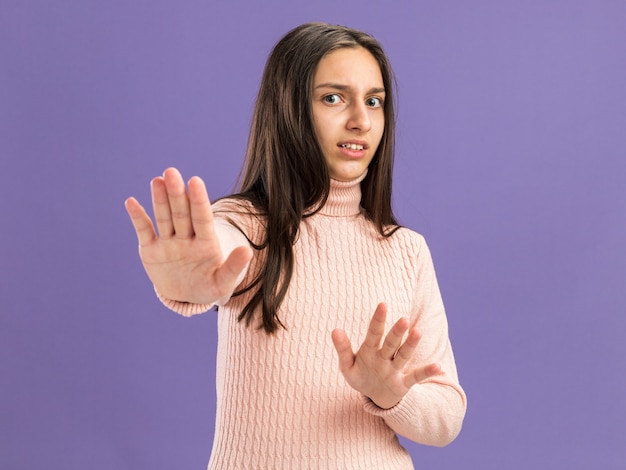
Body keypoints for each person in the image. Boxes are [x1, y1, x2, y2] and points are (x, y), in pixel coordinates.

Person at [125, 22, 466, 470]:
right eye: (333, 97)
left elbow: (446, 417)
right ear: (289, 110)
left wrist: (390, 395)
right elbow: (220, 253)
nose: (361, 120)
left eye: (374, 101)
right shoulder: (246, 224)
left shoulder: (407, 251)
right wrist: (189, 283)